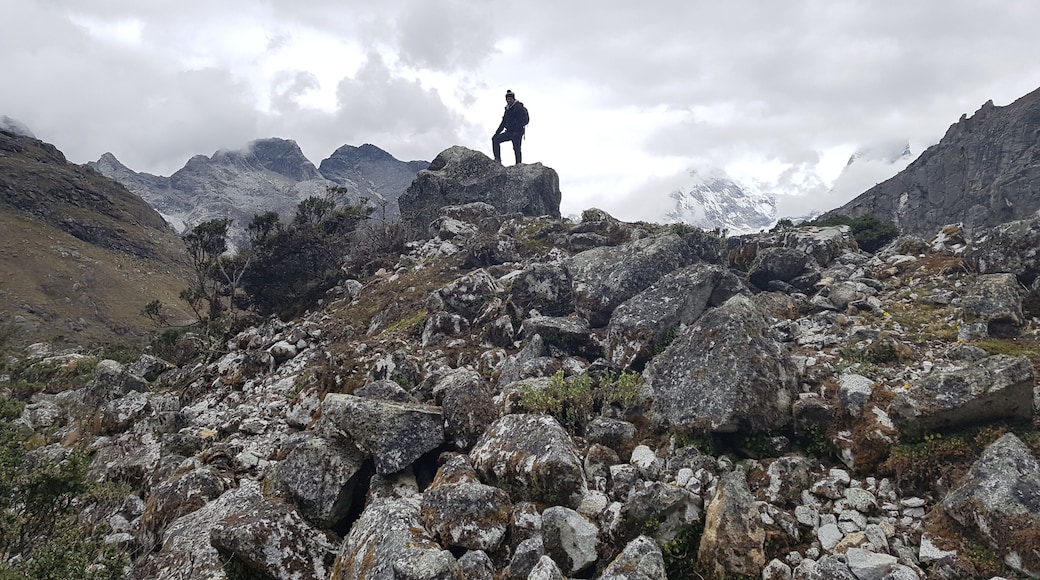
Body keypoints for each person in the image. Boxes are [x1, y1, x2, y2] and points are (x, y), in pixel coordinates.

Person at [492, 89, 529, 165]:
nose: (508, 101)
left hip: (517, 133)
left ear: (513, 99)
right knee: (495, 139)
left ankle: (518, 165)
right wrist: (497, 133)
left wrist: (517, 130)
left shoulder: (519, 107)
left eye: (510, 99)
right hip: (509, 132)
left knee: (517, 149)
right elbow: (503, 122)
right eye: (507, 99)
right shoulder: (507, 109)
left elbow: (523, 121)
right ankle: (497, 159)